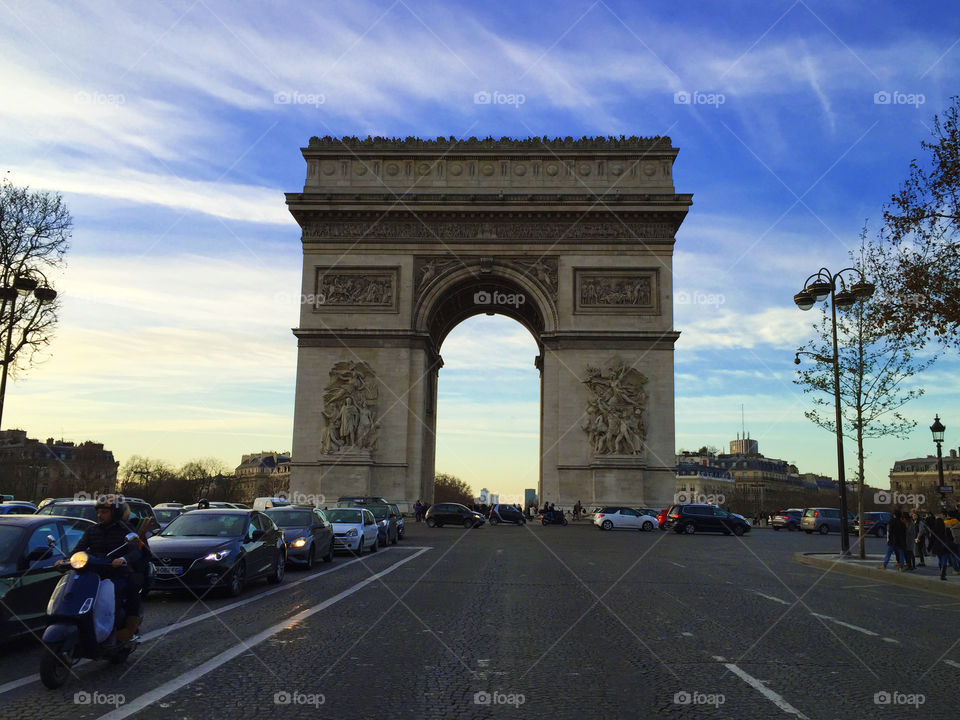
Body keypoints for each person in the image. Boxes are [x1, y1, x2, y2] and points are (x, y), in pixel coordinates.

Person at [68, 495, 143, 641]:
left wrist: (123, 559)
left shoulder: (125, 529)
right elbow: (79, 548)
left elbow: (135, 551)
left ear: (115, 513)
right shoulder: (92, 530)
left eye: (104, 512)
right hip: (94, 573)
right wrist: (66, 559)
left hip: (117, 573)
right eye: (98, 512)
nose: (99, 515)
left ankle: (122, 630)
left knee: (116, 596)